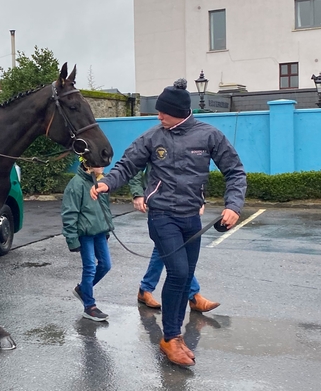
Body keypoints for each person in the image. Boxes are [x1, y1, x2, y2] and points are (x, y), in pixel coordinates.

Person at [90, 78, 246, 367]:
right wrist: (107, 183)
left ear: (182, 112)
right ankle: (170, 337)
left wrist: (233, 205)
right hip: (162, 216)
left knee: (186, 276)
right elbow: (127, 165)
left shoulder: (209, 135)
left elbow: (235, 172)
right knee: (177, 273)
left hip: (192, 217)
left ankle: (176, 338)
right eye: (158, 112)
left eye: (164, 112)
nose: (159, 116)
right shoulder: (153, 137)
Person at [129, 166, 220, 313]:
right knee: (170, 251)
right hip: (160, 205)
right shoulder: (152, 142)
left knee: (164, 250)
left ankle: (145, 289)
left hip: (184, 206)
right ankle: (193, 295)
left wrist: (199, 199)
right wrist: (138, 194)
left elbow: (195, 173)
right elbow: (134, 167)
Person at [62, 161, 114, 322]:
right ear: (88, 164)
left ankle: (83, 289)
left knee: (106, 265)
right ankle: (89, 306)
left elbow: (104, 209)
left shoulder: (100, 182)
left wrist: (107, 228)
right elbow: (69, 213)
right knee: (90, 267)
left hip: (99, 232)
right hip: (85, 234)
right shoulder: (76, 184)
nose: (103, 166)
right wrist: (72, 239)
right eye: (100, 163)